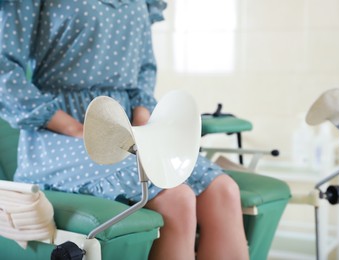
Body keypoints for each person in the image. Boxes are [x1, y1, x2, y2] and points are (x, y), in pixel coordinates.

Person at [0, 1, 249, 259]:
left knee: (223, 190)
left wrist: (142, 122)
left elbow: (144, 69)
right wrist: (74, 127)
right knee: (178, 198)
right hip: (57, 135)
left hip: (126, 127)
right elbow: (4, 69)